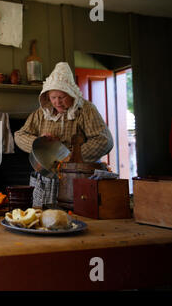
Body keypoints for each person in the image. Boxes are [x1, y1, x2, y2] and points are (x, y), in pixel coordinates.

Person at [14, 62, 113, 207]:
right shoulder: (42, 114)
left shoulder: (85, 110)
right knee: (43, 218)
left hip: (76, 177)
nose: (57, 102)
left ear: (72, 94)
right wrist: (39, 142)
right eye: (53, 97)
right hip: (46, 179)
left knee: (75, 214)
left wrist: (72, 156)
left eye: (62, 97)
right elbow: (20, 135)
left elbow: (104, 141)